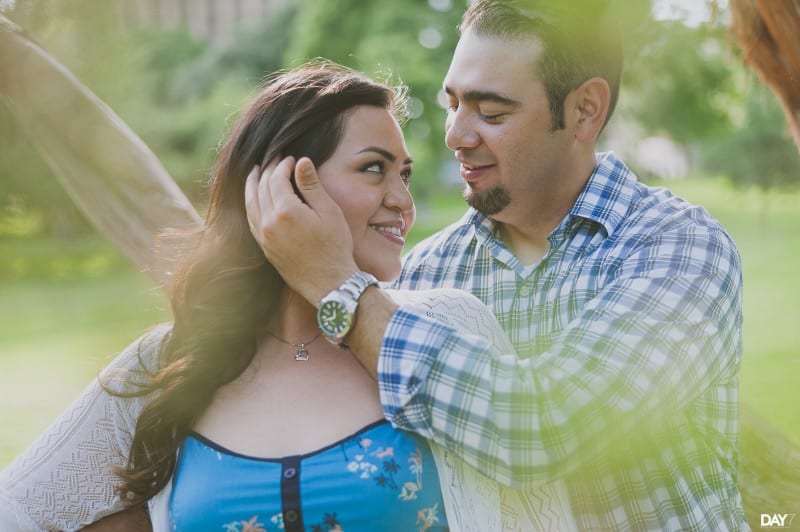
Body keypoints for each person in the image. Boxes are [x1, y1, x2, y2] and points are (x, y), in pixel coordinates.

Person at [249, 1, 749, 530]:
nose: (456, 136)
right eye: (454, 104)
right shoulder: (423, 276)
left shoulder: (678, 248)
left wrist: (338, 289)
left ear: (584, 111)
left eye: (491, 113)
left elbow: (541, 431)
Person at [1, 60, 470, 531]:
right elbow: (17, 511)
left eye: (404, 175)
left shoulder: (443, 328)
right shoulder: (173, 360)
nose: (403, 202)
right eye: (374, 169)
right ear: (282, 187)